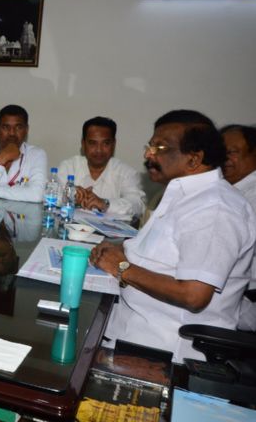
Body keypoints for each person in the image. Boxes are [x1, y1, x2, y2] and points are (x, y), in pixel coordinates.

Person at [90, 110, 256, 362]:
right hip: (128, 326)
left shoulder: (215, 209)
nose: (148, 155)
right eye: (150, 146)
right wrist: (121, 249)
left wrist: (121, 267)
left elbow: (193, 294)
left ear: (194, 158)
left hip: (164, 351)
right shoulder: (184, 196)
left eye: (160, 147)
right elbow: (162, 253)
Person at [57, 116, 146, 220]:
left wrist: (105, 204)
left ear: (113, 144)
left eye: (106, 143)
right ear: (83, 144)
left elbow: (137, 205)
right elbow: (49, 195)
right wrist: (69, 195)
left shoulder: (126, 173)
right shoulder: (68, 167)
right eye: (92, 143)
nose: (99, 150)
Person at [0, 104, 47, 203]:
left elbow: (37, 195)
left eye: (18, 127)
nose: (12, 133)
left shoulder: (37, 155)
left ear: (26, 130)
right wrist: (0, 159)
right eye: (6, 127)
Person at [221, 124, 256, 331]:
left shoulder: (250, 197)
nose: (224, 159)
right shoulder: (229, 190)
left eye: (232, 152)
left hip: (245, 299)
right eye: (221, 152)